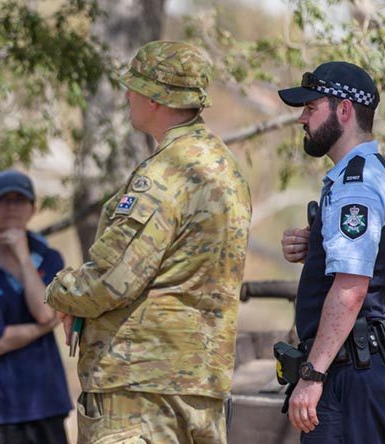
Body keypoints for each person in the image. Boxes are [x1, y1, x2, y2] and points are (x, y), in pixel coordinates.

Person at [45, 40, 252, 444]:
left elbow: (113, 280)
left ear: (156, 98)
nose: (127, 95)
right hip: (199, 387)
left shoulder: (166, 174)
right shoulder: (227, 169)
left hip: (141, 392)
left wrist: (62, 293)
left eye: (134, 86)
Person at [278, 61, 385, 443]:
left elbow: (351, 290)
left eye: (311, 108)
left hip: (347, 373)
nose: (302, 119)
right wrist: (315, 246)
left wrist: (313, 376)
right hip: (350, 367)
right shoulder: (354, 176)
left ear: (344, 110)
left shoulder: (357, 182)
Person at [0, 170, 72, 444]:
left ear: (33, 208)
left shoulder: (50, 260)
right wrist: (46, 326)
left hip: (47, 403)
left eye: (19, 200)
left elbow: (45, 310)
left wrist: (22, 257)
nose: (12, 207)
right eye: (3, 201)